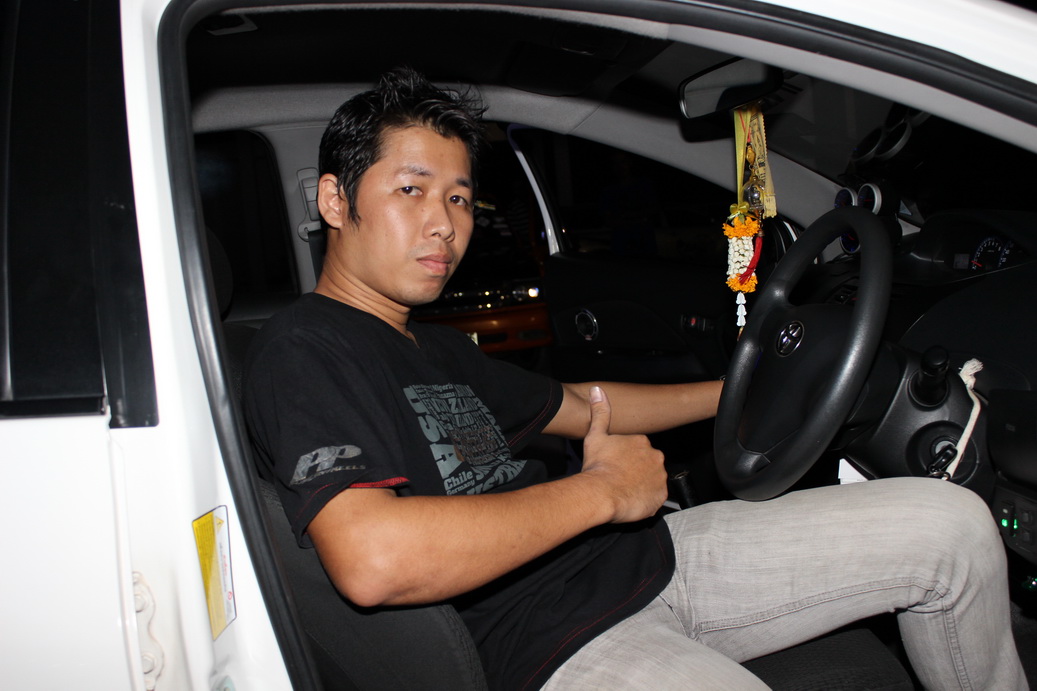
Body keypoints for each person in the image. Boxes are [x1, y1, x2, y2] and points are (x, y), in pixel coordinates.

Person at [244, 68, 1026, 690]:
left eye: (458, 198)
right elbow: (373, 560)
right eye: (411, 190)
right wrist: (602, 492)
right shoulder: (305, 349)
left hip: (642, 556)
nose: (445, 223)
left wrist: (742, 389)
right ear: (335, 199)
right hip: (547, 642)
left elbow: (585, 404)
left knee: (953, 528)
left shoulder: (433, 348)